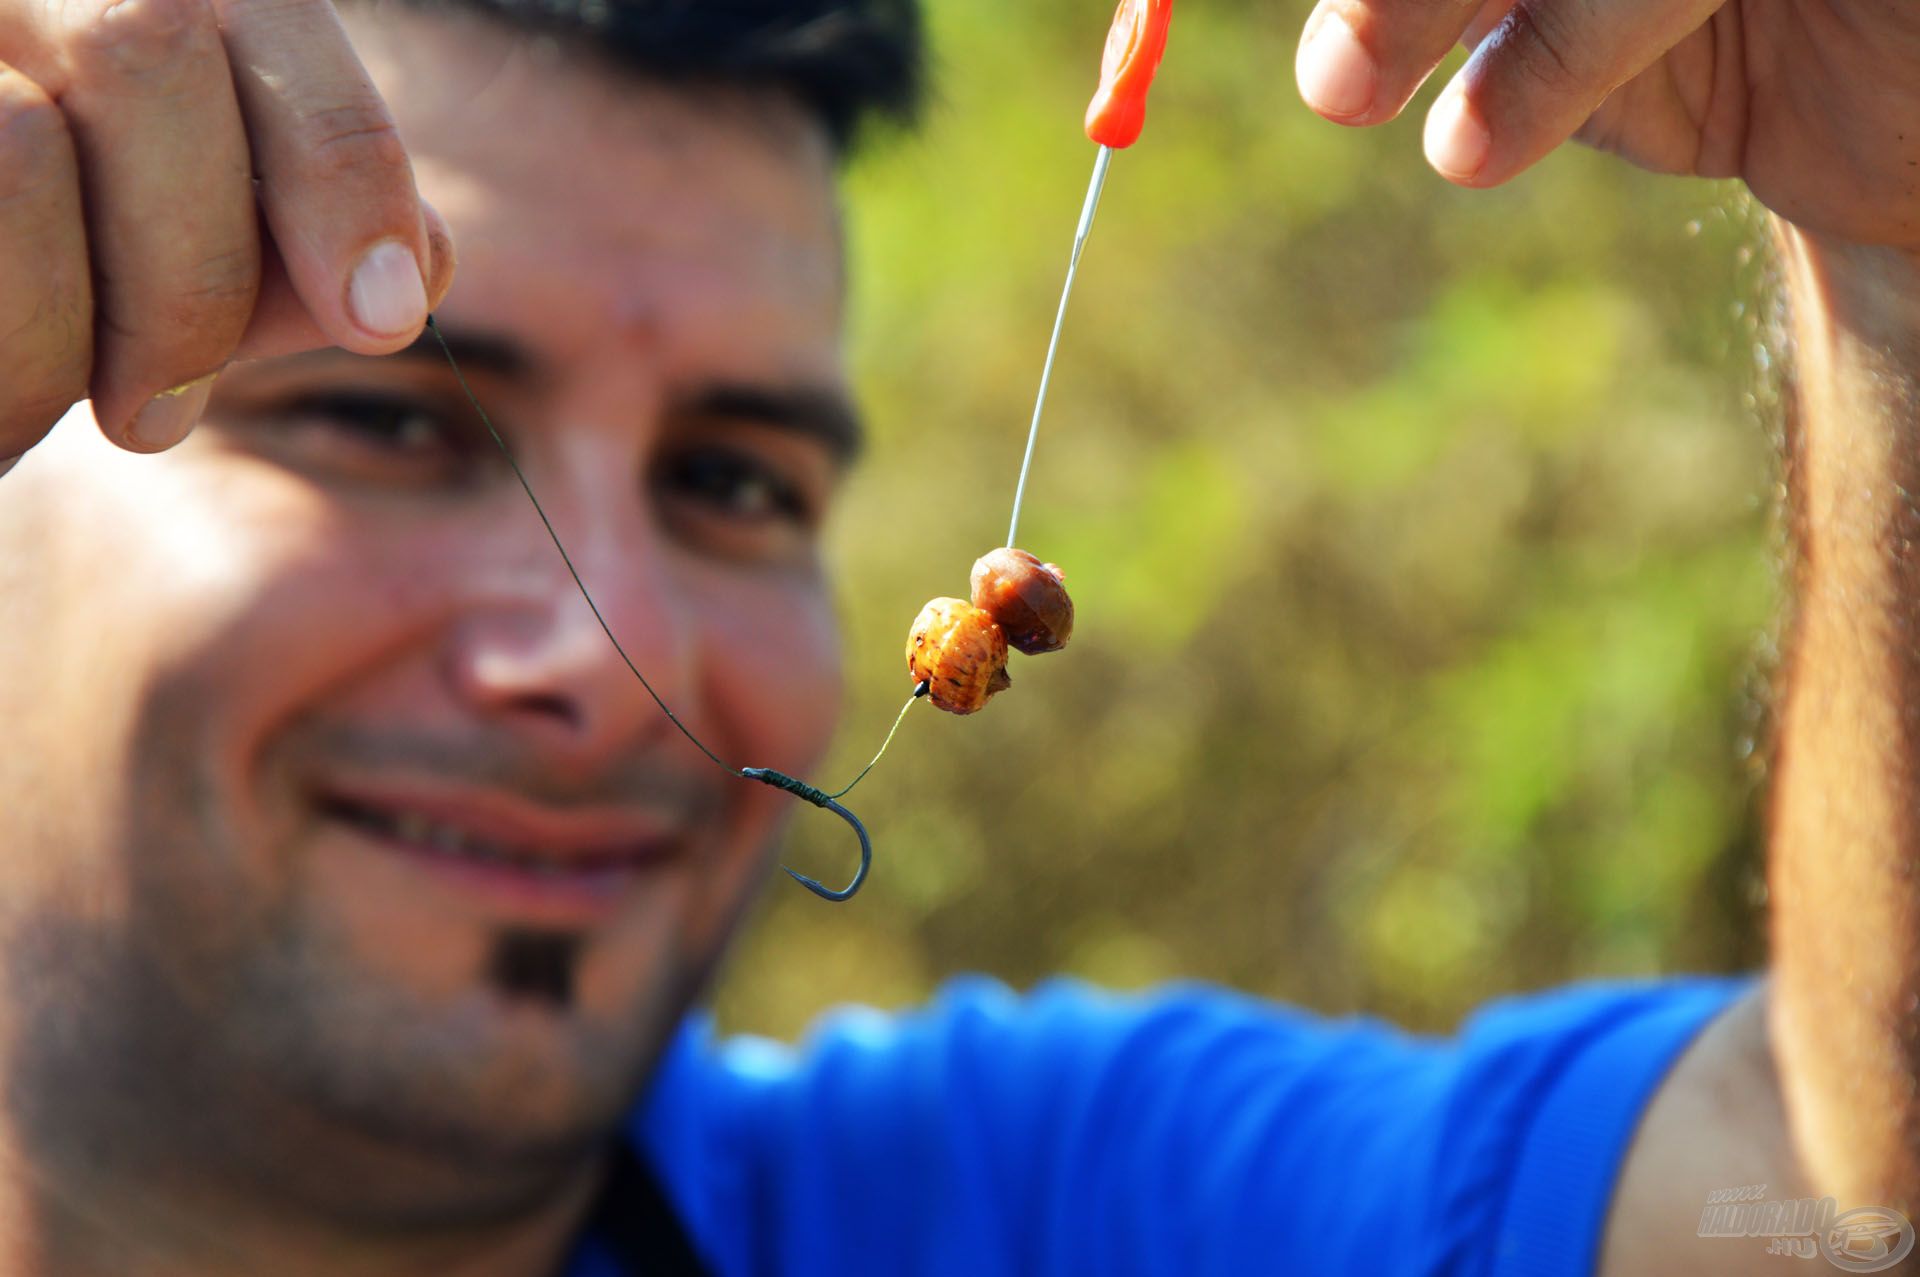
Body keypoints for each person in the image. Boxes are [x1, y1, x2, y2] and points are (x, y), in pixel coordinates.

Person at [0, 0, 1911, 1272]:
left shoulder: (1041, 1208)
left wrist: (1892, 237)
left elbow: (1843, 1206)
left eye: (738, 484)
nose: (606, 660)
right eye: (389, 421)